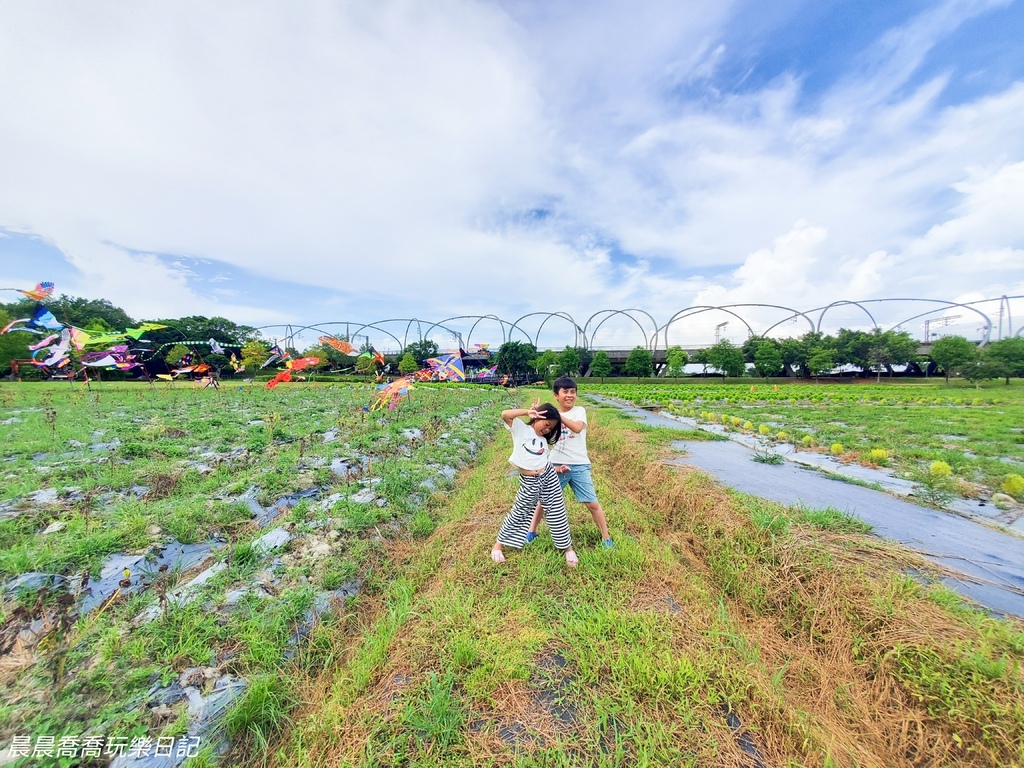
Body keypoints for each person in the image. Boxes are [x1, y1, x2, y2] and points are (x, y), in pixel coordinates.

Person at [528, 376, 613, 548]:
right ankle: (532, 531)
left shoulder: (579, 411)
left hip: (579, 464)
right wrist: (534, 416)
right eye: (565, 392)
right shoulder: (550, 417)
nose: (569, 395)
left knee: (591, 502)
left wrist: (557, 415)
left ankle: (606, 537)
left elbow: (577, 428)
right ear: (556, 396)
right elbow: (535, 432)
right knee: (544, 501)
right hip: (555, 464)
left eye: (572, 392)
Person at [492, 401, 578, 568]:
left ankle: (568, 548)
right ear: (538, 416)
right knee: (520, 512)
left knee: (557, 511)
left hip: (548, 476)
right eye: (546, 424)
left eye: (551, 428)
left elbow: (541, 461)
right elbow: (505, 414)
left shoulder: (543, 441)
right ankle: (498, 545)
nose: (547, 430)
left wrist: (558, 469)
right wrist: (527, 412)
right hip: (530, 481)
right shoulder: (520, 429)